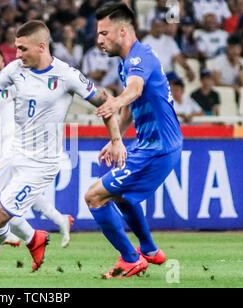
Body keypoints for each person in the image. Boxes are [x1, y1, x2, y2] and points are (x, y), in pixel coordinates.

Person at [0, 20, 126, 275]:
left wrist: (116, 140)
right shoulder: (15, 69)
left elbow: (104, 101)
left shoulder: (66, 75)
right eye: (16, 49)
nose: (17, 54)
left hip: (42, 162)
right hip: (15, 152)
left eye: (22, 48)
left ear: (41, 46)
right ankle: (35, 240)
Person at [86, 3, 183, 278]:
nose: (99, 40)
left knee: (94, 197)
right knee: (122, 197)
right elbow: (133, 105)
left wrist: (114, 102)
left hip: (158, 149)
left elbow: (135, 89)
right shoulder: (126, 62)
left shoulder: (140, 59)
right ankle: (150, 250)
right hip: (151, 145)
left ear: (123, 31)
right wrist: (117, 138)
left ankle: (131, 259)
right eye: (98, 33)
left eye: (104, 33)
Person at [0, 47, 74, 248]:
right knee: (25, 196)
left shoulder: (13, 86)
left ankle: (11, 234)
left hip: (13, 149)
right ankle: (59, 220)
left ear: (2, 64)